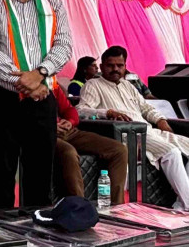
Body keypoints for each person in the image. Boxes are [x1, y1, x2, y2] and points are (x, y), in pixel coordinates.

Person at [0, 0, 72, 209]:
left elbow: (64, 46)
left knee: (40, 171)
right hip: (3, 99)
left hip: (42, 99)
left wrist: (39, 74)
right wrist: (25, 84)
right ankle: (2, 227)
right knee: (2, 171)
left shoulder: (54, 5)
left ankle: (37, 226)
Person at [79, 46, 189, 209]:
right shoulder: (93, 85)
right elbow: (80, 110)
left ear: (125, 66)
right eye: (110, 65)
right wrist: (107, 112)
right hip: (130, 134)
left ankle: (181, 203)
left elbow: (146, 108)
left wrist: (161, 120)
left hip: (150, 130)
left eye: (120, 65)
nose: (115, 69)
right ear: (102, 66)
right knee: (171, 152)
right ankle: (187, 206)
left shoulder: (128, 85)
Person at [53, 82, 127, 203]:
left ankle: (116, 206)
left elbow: (69, 109)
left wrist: (70, 121)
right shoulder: (24, 85)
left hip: (69, 131)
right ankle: (79, 206)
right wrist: (50, 126)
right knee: (69, 152)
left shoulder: (51, 84)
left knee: (119, 150)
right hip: (46, 133)